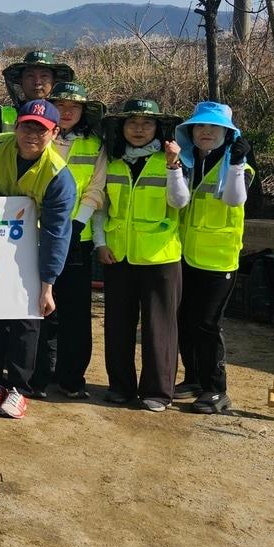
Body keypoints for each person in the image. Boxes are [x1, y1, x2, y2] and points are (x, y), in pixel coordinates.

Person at [0, 98, 77, 420]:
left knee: (27, 317)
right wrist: (8, 209)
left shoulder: (59, 175)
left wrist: (48, 283)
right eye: (26, 126)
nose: (32, 135)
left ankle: (19, 388)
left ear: (54, 133)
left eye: (41, 129)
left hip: (31, 254)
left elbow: (56, 232)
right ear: (16, 126)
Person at [94, 99, 186, 413]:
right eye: (132, 123)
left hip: (161, 258)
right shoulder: (113, 160)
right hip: (117, 255)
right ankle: (120, 387)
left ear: (158, 129)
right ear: (121, 127)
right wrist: (100, 243)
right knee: (118, 325)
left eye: (147, 124)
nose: (138, 129)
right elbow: (100, 208)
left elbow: (179, 202)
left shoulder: (169, 159)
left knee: (159, 327)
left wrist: (174, 167)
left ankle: (158, 392)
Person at [173, 101, 253, 415]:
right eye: (201, 126)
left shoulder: (238, 166)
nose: (206, 132)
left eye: (215, 127)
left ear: (228, 133)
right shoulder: (190, 163)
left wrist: (236, 162)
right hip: (186, 255)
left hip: (219, 260)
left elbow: (235, 199)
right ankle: (193, 378)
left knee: (207, 324)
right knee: (185, 321)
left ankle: (216, 390)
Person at [38, 81, 107, 400]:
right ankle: (41, 372)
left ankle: (71, 377)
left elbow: (97, 187)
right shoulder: (38, 136)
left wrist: (78, 223)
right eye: (61, 106)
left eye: (74, 107)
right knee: (41, 308)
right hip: (39, 234)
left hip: (78, 237)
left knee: (76, 312)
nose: (67, 113)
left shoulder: (95, 144)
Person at [0, 50, 74, 135]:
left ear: (54, 81)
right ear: (20, 80)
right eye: (30, 76)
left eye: (44, 76)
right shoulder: (4, 115)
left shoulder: (66, 116)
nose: (37, 82)